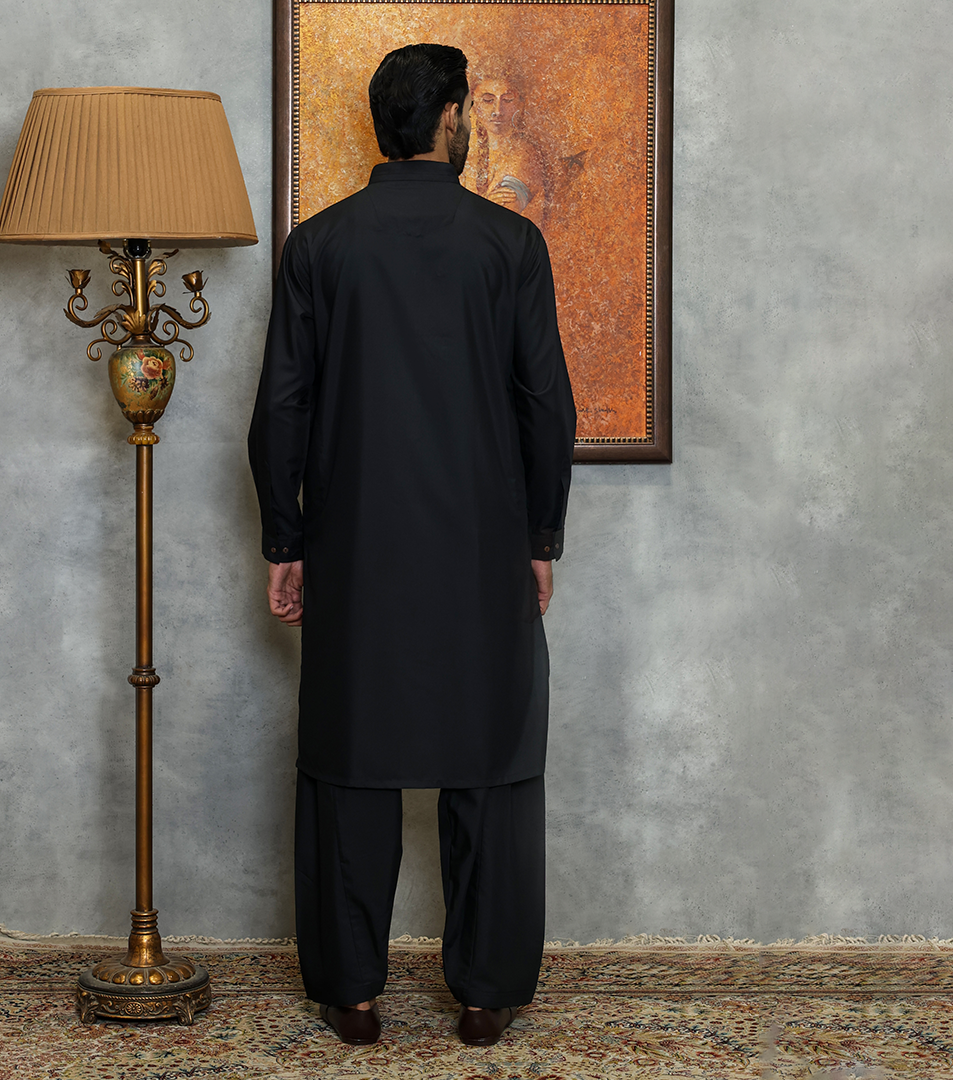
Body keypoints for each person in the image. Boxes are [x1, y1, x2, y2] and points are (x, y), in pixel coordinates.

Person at [248, 42, 576, 1048]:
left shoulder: (319, 245)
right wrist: (541, 537)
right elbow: (545, 406)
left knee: (352, 762)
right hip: (483, 548)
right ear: (447, 120)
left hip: (354, 550)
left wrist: (285, 540)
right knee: (493, 760)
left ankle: (350, 995)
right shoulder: (509, 244)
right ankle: (484, 994)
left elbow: (281, 409)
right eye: (465, 109)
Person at [463, 74, 546, 228]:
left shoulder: (523, 154)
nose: (497, 111)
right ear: (473, 103)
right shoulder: (468, 151)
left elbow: (501, 216)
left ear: (520, 104)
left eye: (507, 100)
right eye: (488, 100)